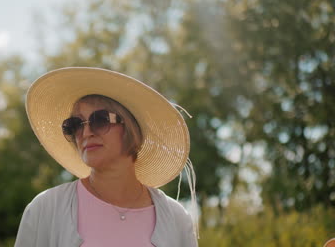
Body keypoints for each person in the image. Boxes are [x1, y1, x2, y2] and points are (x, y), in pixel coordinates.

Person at [15, 67, 198, 247]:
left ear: (131, 128)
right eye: (75, 124)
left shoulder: (177, 219)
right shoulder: (45, 209)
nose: (86, 133)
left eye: (100, 120)